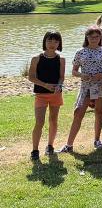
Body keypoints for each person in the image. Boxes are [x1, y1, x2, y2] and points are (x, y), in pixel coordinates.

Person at [59, 26, 102, 153]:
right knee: (78, 113)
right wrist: (81, 75)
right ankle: (69, 145)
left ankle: (97, 140)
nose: (94, 39)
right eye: (91, 37)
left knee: (99, 113)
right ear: (87, 37)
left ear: (100, 37)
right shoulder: (80, 51)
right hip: (86, 87)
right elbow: (73, 71)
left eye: (96, 37)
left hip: (101, 86)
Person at [29, 31, 65, 160]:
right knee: (39, 122)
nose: (52, 44)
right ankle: (35, 150)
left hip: (56, 94)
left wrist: (59, 86)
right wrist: (45, 85)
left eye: (56, 41)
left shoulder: (61, 59)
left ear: (59, 43)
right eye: (49, 41)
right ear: (44, 41)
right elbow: (31, 77)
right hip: (41, 94)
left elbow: (61, 77)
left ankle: (50, 145)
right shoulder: (36, 58)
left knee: (53, 120)